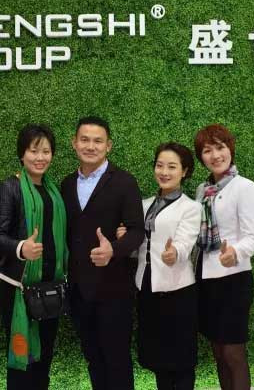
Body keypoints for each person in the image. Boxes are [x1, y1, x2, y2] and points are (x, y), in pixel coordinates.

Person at [60, 116, 144, 390]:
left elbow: (137, 231)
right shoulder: (66, 184)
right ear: (74, 143)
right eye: (84, 140)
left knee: (117, 360)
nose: (91, 146)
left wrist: (114, 250)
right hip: (79, 291)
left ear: (108, 146)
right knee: (93, 358)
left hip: (114, 290)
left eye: (98, 141)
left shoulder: (124, 182)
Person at [117, 142, 202, 390]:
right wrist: (125, 239)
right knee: (158, 358)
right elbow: (139, 247)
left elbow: (186, 241)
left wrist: (174, 252)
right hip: (146, 287)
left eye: (172, 167)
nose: (164, 172)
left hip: (177, 290)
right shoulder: (143, 204)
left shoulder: (191, 207)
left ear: (184, 171)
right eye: (160, 165)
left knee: (181, 359)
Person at [0, 124, 68, 390]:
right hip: (19, 290)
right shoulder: (9, 187)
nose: (40, 157)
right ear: (21, 154)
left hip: (50, 288)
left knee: (44, 360)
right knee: (23, 363)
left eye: (46, 151)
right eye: (34, 151)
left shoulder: (53, 191)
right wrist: (21, 248)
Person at [193, 124, 254, 390]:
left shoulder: (245, 187)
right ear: (201, 157)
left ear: (230, 149)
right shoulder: (202, 190)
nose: (215, 155)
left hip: (234, 279)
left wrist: (235, 252)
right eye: (207, 150)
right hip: (205, 278)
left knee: (233, 353)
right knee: (219, 353)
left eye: (220, 147)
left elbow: (252, 238)